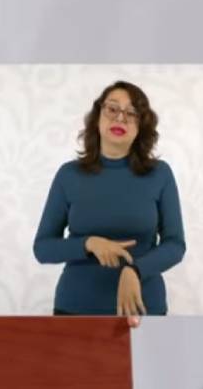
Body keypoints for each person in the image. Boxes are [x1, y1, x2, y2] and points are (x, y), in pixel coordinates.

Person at [32, 80, 186, 321]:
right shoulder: (68, 175)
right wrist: (88, 244)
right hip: (75, 310)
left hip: (143, 309)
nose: (120, 118)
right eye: (112, 109)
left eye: (131, 113)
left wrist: (135, 270)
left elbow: (175, 245)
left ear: (141, 126)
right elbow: (42, 249)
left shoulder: (160, 174)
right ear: (97, 117)